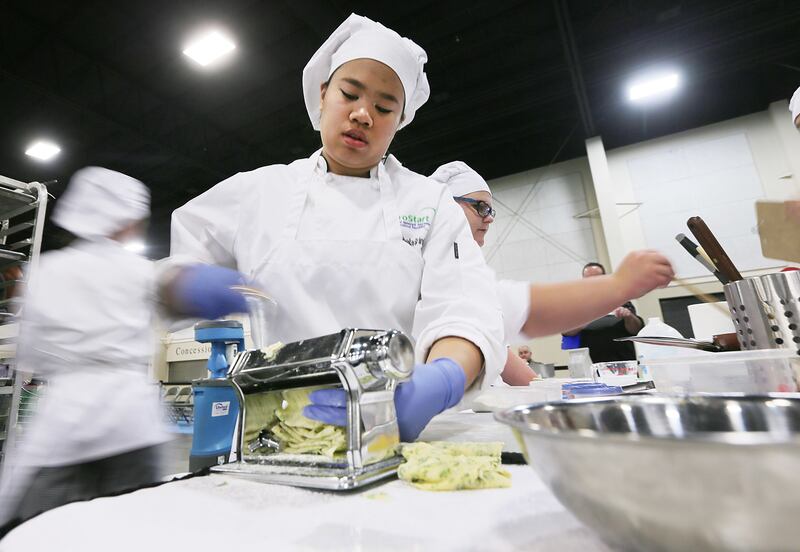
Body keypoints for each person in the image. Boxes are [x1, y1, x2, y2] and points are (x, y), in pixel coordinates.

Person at [167, 14, 505, 443]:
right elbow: (173, 267)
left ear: (400, 120)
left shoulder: (428, 203)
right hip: (275, 431)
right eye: (349, 94)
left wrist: (440, 381)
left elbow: (467, 307)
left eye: (385, 107)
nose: (363, 114)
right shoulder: (258, 192)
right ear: (323, 94)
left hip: (387, 423)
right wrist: (185, 283)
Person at [0, 167, 246, 528]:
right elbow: (184, 296)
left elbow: (32, 353)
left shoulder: (47, 272)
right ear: (128, 221)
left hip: (65, 420)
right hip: (130, 421)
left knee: (36, 528)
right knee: (134, 526)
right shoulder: (139, 271)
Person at [429, 161, 674, 374]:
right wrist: (619, 284)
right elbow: (514, 310)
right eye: (480, 207)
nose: (490, 217)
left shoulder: (463, 262)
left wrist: (535, 383)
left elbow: (495, 329)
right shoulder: (426, 261)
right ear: (447, 205)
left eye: (491, 209)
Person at [562, 262, 644, 362]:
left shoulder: (620, 299)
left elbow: (636, 330)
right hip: (591, 365)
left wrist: (628, 316)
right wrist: (584, 321)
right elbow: (566, 331)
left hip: (623, 362)